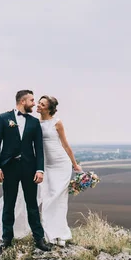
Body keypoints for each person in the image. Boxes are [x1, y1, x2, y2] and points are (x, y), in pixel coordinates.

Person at [0, 90, 50, 253]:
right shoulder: (3, 118)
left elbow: (38, 148)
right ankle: (6, 239)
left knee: (32, 204)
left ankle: (39, 238)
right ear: (22, 101)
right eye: (31, 100)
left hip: (29, 168)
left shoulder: (34, 122)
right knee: (9, 203)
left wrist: (40, 169)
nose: (34, 104)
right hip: (9, 168)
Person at [36, 95, 82, 246]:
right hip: (45, 166)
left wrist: (75, 165)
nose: (38, 105)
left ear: (49, 109)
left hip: (61, 164)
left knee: (59, 198)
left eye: (42, 104)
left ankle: (60, 233)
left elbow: (65, 145)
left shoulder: (57, 123)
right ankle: (49, 232)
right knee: (47, 197)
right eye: (39, 103)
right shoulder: (35, 123)